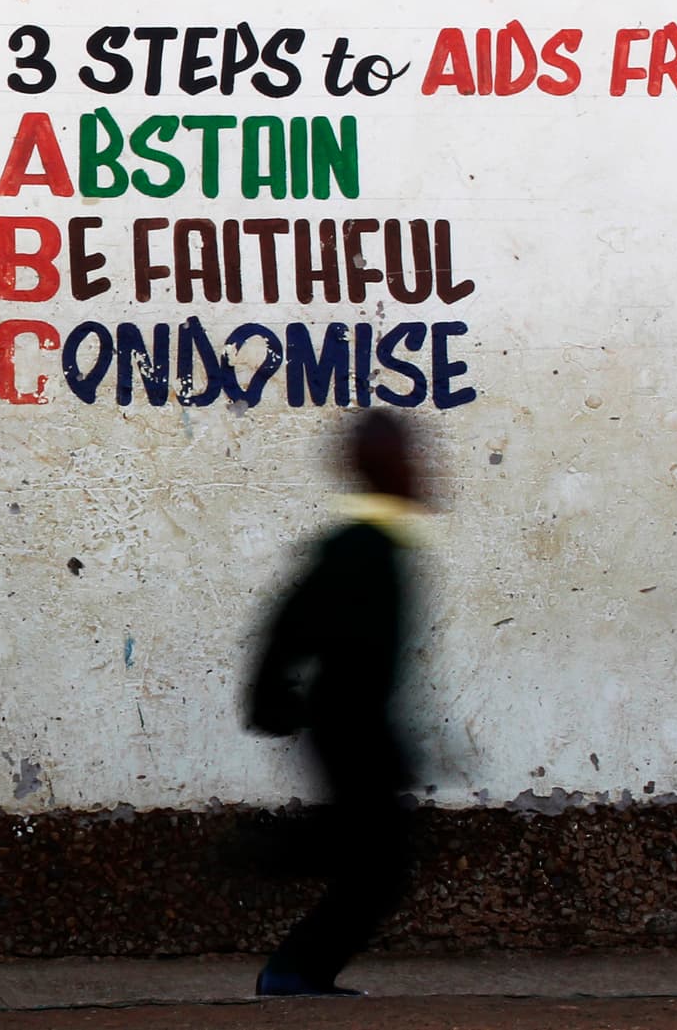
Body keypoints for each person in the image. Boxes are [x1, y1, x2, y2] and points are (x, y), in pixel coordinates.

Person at [245, 410, 428, 997]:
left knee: (370, 857)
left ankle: (297, 964)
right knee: (377, 864)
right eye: (405, 456)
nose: (418, 467)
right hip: (347, 727)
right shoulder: (359, 548)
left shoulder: (380, 544)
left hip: (355, 725)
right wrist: (272, 694)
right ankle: (292, 965)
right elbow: (290, 624)